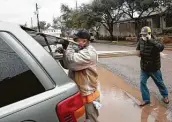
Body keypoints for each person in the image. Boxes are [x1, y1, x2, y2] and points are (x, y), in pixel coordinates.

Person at [57, 30, 101, 122]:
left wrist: (69, 47)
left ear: (84, 41)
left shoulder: (89, 53)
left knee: (92, 119)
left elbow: (71, 62)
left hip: (90, 95)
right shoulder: (81, 50)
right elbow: (67, 66)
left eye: (76, 40)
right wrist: (64, 52)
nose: (74, 42)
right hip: (80, 92)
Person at [136, 26, 169, 106]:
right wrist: (138, 52)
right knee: (142, 83)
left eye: (145, 34)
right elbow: (138, 48)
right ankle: (146, 99)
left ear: (149, 34)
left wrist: (150, 40)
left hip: (154, 68)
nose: (143, 36)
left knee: (159, 83)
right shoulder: (140, 40)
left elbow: (161, 48)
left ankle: (165, 96)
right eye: (142, 34)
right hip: (144, 68)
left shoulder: (156, 40)